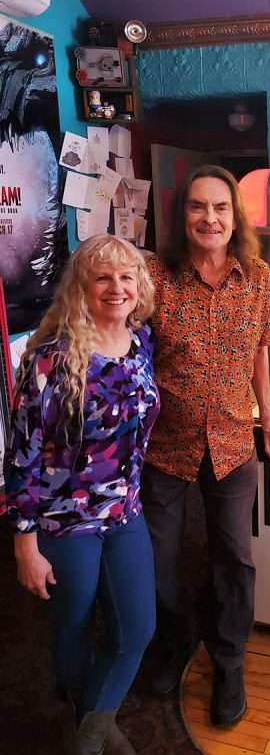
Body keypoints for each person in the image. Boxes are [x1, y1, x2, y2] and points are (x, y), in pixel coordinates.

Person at [141, 164, 270, 727]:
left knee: (233, 559)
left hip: (234, 444)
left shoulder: (259, 277)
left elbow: (261, 349)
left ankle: (229, 662)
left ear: (235, 218)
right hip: (165, 447)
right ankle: (173, 641)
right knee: (159, 563)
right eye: (197, 206)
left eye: (220, 208)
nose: (209, 218)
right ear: (181, 215)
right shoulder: (152, 278)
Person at [3, 235, 160, 755]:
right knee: (72, 622)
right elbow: (21, 453)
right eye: (102, 277)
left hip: (125, 510)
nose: (117, 288)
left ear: (139, 286)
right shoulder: (51, 360)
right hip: (63, 518)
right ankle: (82, 710)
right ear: (81, 288)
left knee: (136, 627)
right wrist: (24, 543)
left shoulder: (140, 343)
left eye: (126, 277)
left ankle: (86, 739)